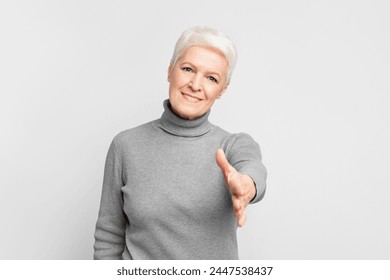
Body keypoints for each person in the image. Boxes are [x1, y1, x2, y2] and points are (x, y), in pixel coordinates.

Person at [93, 26, 267, 260]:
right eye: (188, 69)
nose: (195, 85)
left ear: (222, 89)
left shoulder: (232, 146)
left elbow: (253, 169)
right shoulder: (126, 146)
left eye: (211, 78)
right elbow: (108, 237)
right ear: (169, 71)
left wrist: (247, 187)